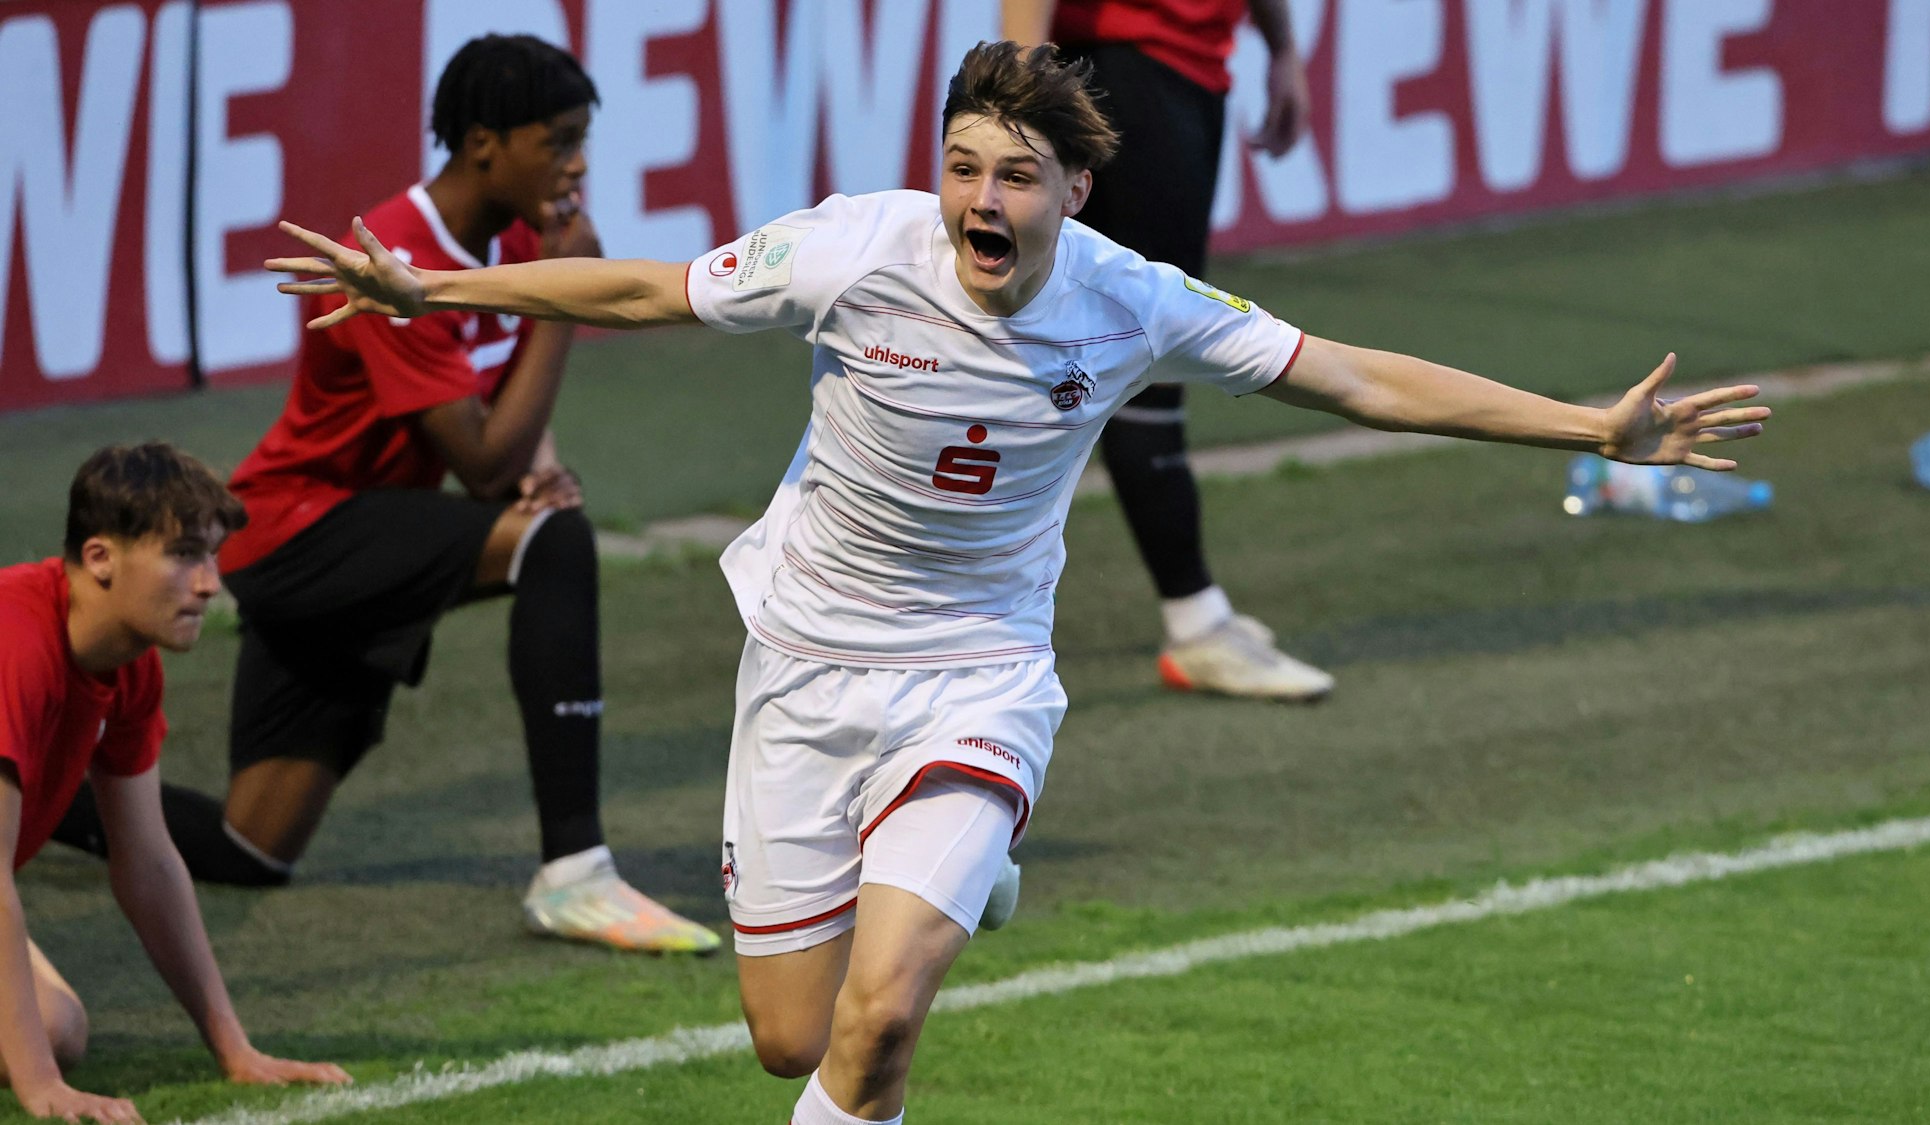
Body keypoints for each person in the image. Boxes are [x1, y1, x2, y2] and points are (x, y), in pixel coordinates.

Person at [265, 41, 1768, 1124]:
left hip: (976, 674)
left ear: (1076, 188)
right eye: (963, 167)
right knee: (793, 1044)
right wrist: (436, 286)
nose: (981, 198)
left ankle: (959, 836)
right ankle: (953, 859)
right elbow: (648, 289)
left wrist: (1589, 423)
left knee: (885, 1014)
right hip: (802, 666)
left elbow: (1355, 376)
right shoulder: (855, 248)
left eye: (1017, 176)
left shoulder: (1135, 297)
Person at [53, 34, 719, 955]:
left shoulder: (519, 238)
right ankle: (576, 872)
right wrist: (563, 312)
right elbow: (484, 463)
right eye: (559, 139)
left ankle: (40, 790)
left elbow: (500, 405)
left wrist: (540, 458)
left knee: (254, 845)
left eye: (582, 139)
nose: (578, 163)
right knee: (551, 541)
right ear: (484, 142)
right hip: (294, 535)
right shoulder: (393, 255)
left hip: (365, 539)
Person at [1, 444, 350, 1125]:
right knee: (42, 1044)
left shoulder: (128, 664)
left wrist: (235, 1048)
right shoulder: (15, 641)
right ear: (100, 557)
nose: (209, 582)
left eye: (212, 556)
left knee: (55, 1026)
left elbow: (150, 860)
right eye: (184, 553)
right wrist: (39, 1085)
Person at [1005, 0, 1333, 701]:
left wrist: (1280, 48)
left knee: (1121, 348)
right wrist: (1022, 96)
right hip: (1126, 73)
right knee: (1133, 350)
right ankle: (1195, 625)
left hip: (1189, 72)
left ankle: (1196, 618)